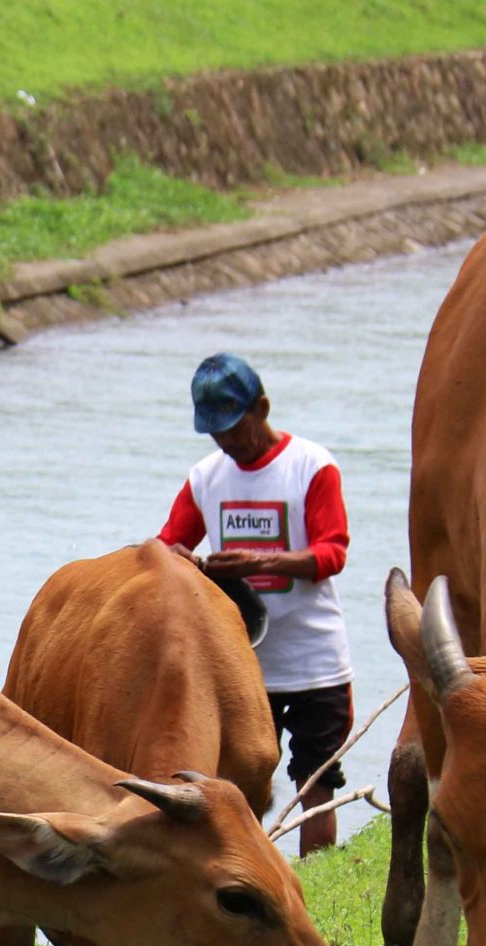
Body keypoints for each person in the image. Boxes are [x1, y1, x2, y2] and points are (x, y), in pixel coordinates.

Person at [157, 351, 354, 854]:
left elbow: (332, 554)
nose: (225, 442)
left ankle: (317, 879)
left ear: (261, 408)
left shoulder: (312, 466)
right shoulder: (206, 477)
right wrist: (182, 560)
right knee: (236, 785)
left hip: (314, 661)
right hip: (238, 664)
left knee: (317, 784)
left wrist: (258, 563)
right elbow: (165, 547)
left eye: (233, 427)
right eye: (215, 432)